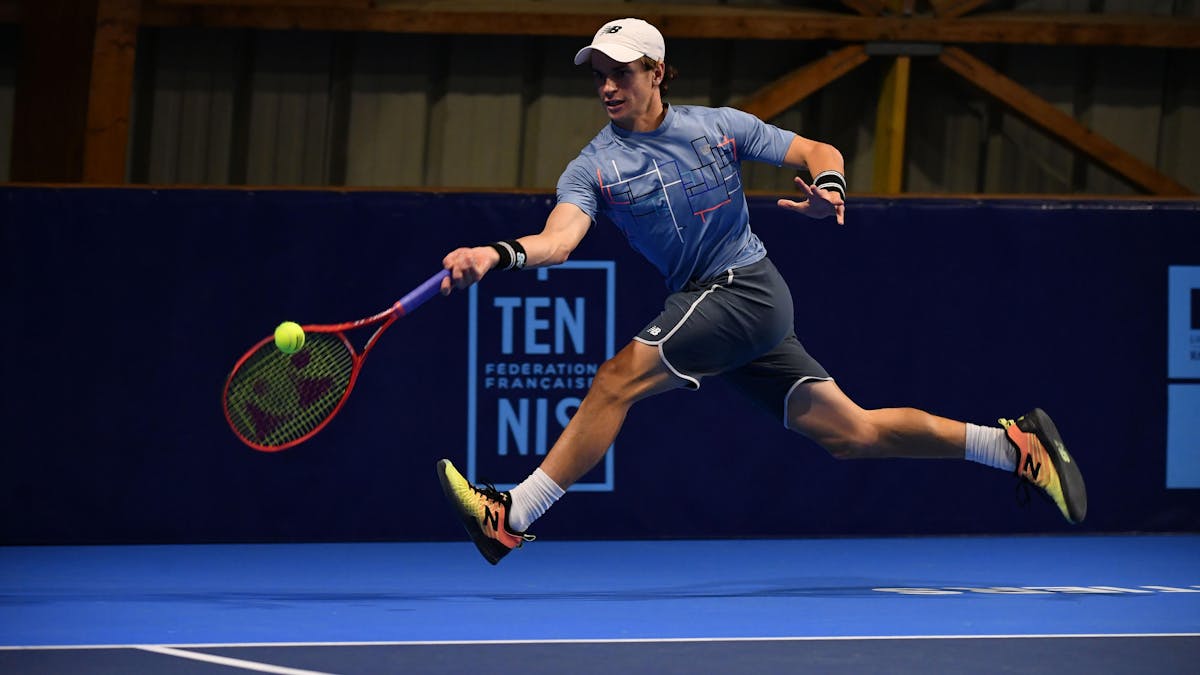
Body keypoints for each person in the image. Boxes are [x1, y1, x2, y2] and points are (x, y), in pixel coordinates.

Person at [435, 18, 1087, 565]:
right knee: (852, 433)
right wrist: (495, 255)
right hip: (711, 307)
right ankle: (1012, 446)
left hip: (744, 288)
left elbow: (817, 149)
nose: (608, 85)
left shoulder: (718, 127)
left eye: (622, 72)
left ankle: (512, 510)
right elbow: (559, 240)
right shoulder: (593, 166)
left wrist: (828, 190)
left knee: (615, 379)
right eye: (598, 73)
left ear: (658, 71)